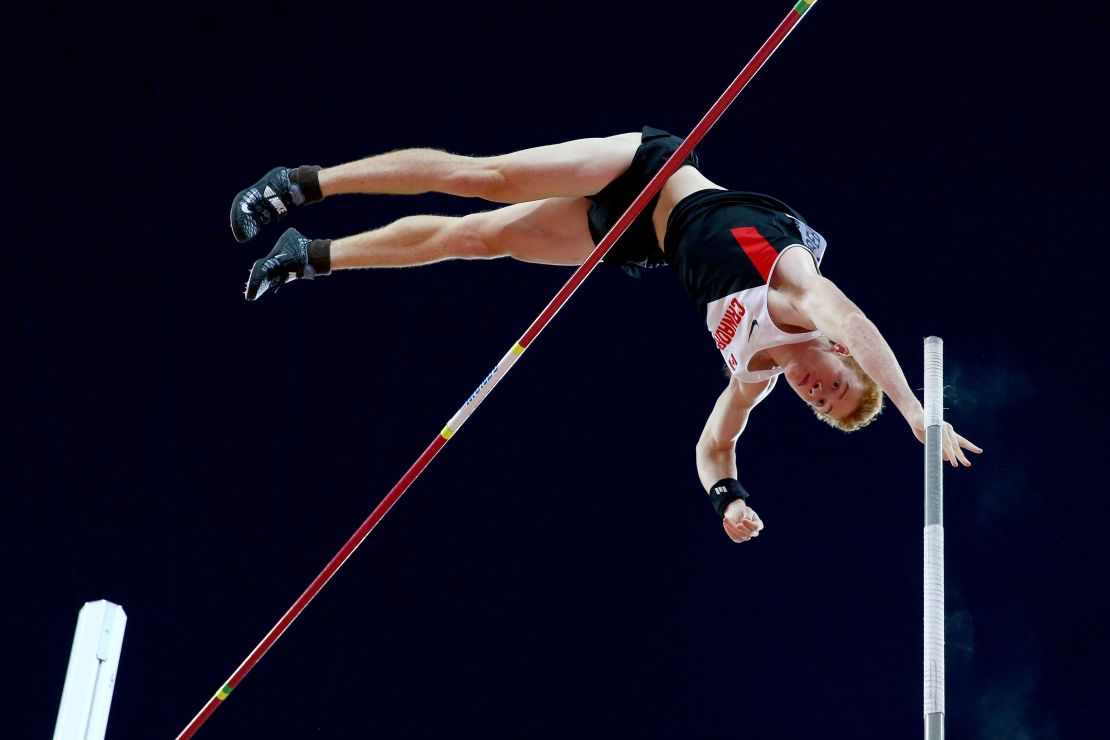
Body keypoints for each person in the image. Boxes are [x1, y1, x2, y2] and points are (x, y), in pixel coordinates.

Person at [230, 126, 982, 543]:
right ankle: (301, 182)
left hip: (637, 240)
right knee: (483, 179)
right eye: (836, 383)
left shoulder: (753, 376)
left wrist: (727, 498)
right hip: (652, 172)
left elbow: (713, 446)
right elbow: (853, 318)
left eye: (819, 404)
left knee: (478, 239)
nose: (819, 391)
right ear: (843, 360)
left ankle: (310, 257)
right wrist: (915, 411)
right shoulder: (800, 297)